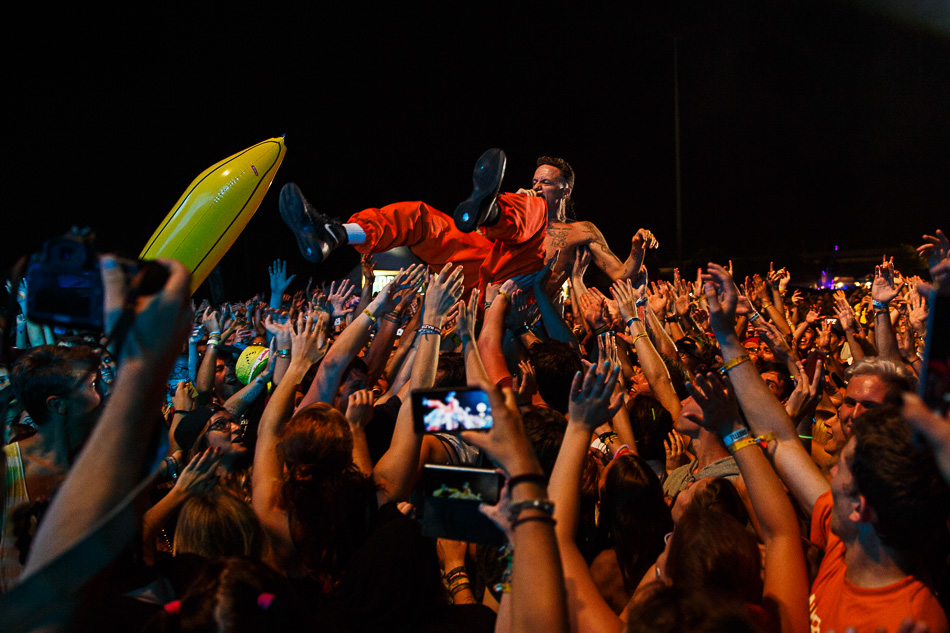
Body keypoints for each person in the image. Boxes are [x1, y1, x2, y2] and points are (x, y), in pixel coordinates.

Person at [700, 262, 949, 633]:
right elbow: (781, 437)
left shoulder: (913, 619)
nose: (830, 472)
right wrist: (726, 336)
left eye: (840, 470)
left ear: (860, 506)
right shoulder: (845, 542)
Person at [279, 149, 656, 296]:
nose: (537, 185)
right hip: (483, 266)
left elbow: (621, 274)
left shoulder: (580, 230)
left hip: (518, 296)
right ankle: (334, 233)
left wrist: (637, 250)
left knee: (531, 209)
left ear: (566, 190)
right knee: (422, 218)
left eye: (546, 182)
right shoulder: (528, 203)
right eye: (535, 180)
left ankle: (491, 211)